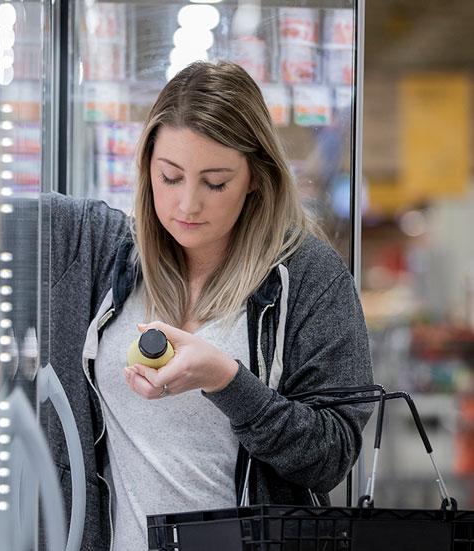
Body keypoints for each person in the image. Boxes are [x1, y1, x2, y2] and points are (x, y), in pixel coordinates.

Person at [41, 61, 373, 551]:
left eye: (215, 182)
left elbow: (331, 455)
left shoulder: (307, 276)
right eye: (170, 177)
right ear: (146, 166)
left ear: (256, 178)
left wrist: (228, 382)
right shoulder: (101, 251)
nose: (188, 205)